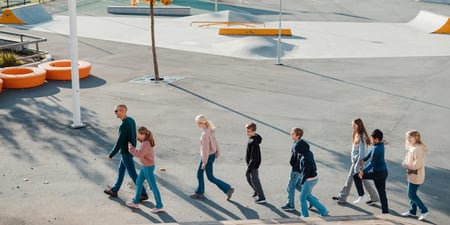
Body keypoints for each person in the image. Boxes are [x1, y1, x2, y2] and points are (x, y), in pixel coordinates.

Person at [104, 104, 148, 201]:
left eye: (117, 111)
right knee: (121, 171)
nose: (115, 113)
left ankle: (143, 193)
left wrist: (111, 154)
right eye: (115, 111)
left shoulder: (124, 125)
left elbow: (120, 142)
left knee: (132, 173)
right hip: (129, 151)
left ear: (123, 111)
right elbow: (134, 136)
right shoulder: (131, 120)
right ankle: (115, 190)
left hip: (126, 152)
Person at [332, 118, 379, 204]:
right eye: (352, 125)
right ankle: (342, 197)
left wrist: (358, 165)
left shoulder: (362, 136)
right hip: (356, 161)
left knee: (361, 179)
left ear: (359, 125)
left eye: (354, 125)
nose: (352, 126)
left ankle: (374, 197)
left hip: (359, 162)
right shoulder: (356, 134)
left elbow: (362, 153)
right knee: (351, 179)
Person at [190, 114, 234, 200]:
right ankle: (200, 192)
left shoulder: (205, 135)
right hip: (211, 156)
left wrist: (204, 162)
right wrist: (217, 152)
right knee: (203, 175)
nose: (197, 125)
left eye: (198, 123)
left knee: (208, 177)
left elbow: (206, 150)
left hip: (207, 157)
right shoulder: (210, 130)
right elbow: (215, 142)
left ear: (201, 123)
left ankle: (227, 189)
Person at [126, 127, 164, 213]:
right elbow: (141, 151)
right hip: (145, 166)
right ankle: (135, 202)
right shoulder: (144, 142)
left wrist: (131, 149)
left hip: (148, 167)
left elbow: (139, 154)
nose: (137, 135)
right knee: (139, 182)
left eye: (139, 134)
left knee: (153, 186)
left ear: (143, 135)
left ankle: (159, 205)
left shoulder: (146, 144)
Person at [353, 129, 389, 214]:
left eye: (372, 139)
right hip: (383, 172)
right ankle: (385, 212)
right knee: (382, 192)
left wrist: (363, 171)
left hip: (377, 173)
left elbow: (372, 163)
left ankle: (362, 195)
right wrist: (365, 159)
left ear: (376, 139)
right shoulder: (380, 145)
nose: (372, 140)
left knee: (356, 176)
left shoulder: (377, 149)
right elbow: (371, 152)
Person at [295, 128, 329, 217]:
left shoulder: (305, 159)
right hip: (314, 178)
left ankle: (305, 215)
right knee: (308, 196)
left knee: (302, 197)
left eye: (298, 151)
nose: (297, 152)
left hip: (309, 180)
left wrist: (302, 182)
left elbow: (306, 172)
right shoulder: (309, 153)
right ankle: (323, 210)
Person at [401, 130, 429, 221]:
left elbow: (417, 165)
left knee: (411, 194)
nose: (408, 139)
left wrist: (406, 165)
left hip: (416, 176)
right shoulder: (412, 147)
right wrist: (406, 163)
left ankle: (424, 210)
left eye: (410, 137)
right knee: (412, 193)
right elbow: (407, 159)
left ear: (416, 138)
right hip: (411, 174)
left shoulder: (418, 149)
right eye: (407, 137)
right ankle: (412, 211)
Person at [280, 128, 304, 211]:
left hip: (296, 170)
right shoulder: (298, 143)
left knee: (290, 187)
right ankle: (313, 200)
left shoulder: (298, 146)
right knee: (297, 186)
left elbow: (298, 158)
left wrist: (294, 165)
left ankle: (291, 205)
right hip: (298, 169)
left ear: (298, 135)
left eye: (293, 134)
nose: (291, 134)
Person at [245, 122, 266, 204]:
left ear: (254, 131)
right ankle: (256, 191)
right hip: (251, 164)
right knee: (251, 178)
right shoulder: (253, 138)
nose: (247, 132)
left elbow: (253, 157)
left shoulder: (253, 141)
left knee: (254, 179)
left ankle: (261, 197)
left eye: (249, 131)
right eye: (246, 130)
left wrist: (250, 168)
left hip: (253, 165)